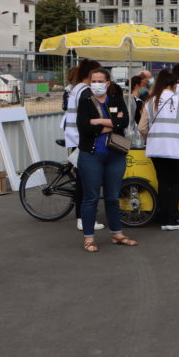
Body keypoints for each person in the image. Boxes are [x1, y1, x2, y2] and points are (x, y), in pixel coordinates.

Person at [76, 68, 136, 252]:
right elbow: (84, 128)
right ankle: (88, 239)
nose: (96, 84)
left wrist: (98, 122)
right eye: (93, 81)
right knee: (91, 198)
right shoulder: (85, 102)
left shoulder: (117, 100)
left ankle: (117, 233)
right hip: (91, 156)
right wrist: (110, 122)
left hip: (115, 155)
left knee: (112, 197)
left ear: (107, 83)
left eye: (99, 81)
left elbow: (124, 122)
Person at [140, 69, 179, 230]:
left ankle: (163, 218)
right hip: (175, 148)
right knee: (176, 182)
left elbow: (142, 128)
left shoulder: (150, 101)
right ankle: (172, 219)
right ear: (173, 84)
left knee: (163, 181)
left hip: (156, 148)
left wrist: (152, 137)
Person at [63, 59, 103, 231]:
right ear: (90, 74)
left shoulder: (77, 88)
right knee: (86, 182)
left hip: (75, 138)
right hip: (82, 140)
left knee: (83, 180)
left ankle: (82, 216)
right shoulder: (85, 91)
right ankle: (83, 218)